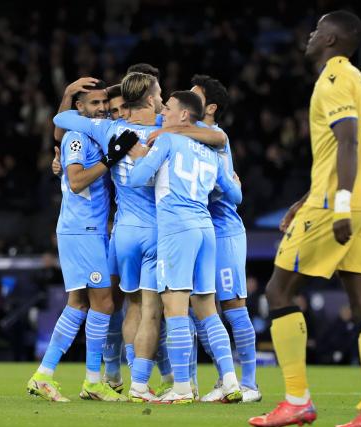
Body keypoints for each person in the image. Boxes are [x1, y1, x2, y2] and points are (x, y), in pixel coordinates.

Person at [248, 11, 361, 427]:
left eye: (316, 30)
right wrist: (304, 199)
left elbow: (347, 140)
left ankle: (296, 400)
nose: (310, 36)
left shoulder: (331, 80)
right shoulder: (360, 82)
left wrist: (339, 204)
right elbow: (343, 152)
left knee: (278, 291)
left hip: (341, 204)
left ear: (331, 40)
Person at [53, 73, 228, 402]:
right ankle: (150, 382)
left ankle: (124, 378)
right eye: (159, 94)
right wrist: (173, 128)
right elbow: (218, 137)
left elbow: (61, 119)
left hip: (122, 232)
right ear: (149, 99)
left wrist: (71, 96)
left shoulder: (109, 129)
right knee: (152, 310)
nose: (163, 100)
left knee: (127, 308)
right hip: (158, 231)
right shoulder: (165, 129)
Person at [128, 90, 243, 404]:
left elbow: (137, 178)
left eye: (168, 108)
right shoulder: (209, 148)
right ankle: (231, 381)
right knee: (207, 309)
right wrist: (237, 183)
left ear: (183, 115)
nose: (163, 112)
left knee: (174, 308)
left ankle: (181, 387)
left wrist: (140, 156)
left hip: (177, 228)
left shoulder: (167, 141)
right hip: (205, 228)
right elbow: (235, 195)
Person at [27, 80, 135, 402]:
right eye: (94, 103)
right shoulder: (79, 137)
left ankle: (44, 374)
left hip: (85, 230)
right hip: (83, 230)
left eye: (104, 102)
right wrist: (110, 161)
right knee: (103, 303)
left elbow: (58, 136)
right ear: (80, 108)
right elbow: (75, 182)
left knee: (78, 303)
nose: (101, 108)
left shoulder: (88, 135)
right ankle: (91, 381)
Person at [188, 74, 261, 403]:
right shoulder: (183, 132)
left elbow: (230, 193)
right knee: (200, 307)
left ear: (211, 107)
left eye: (194, 95)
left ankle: (250, 384)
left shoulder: (215, 136)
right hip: (197, 229)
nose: (186, 98)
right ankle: (225, 378)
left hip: (224, 229)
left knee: (233, 306)